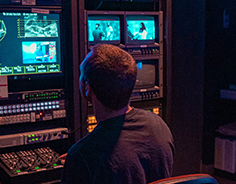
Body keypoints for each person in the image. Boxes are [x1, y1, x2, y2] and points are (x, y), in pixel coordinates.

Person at [60, 44, 174, 184]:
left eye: (81, 74)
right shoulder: (159, 125)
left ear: (86, 88)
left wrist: (77, 161)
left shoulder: (81, 157)